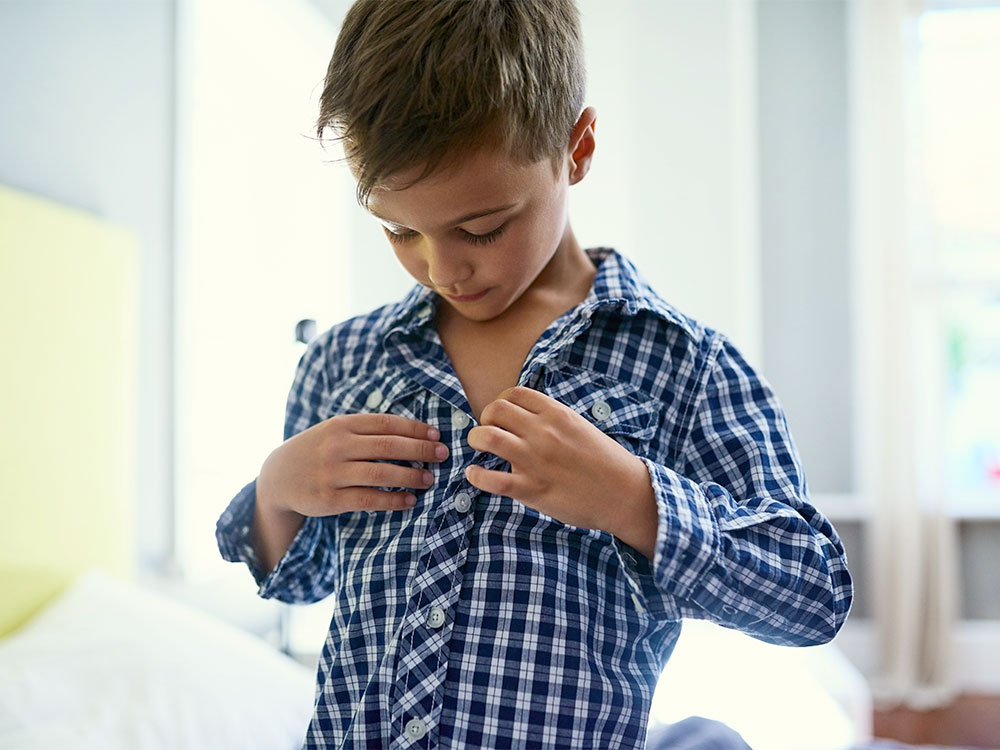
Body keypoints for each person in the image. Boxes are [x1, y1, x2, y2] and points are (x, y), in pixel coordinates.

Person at [216, 1, 854, 748]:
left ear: (577, 149)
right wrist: (276, 492)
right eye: (399, 230)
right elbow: (299, 582)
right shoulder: (344, 361)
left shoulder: (686, 364)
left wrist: (633, 500)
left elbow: (812, 593)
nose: (441, 268)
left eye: (482, 229)